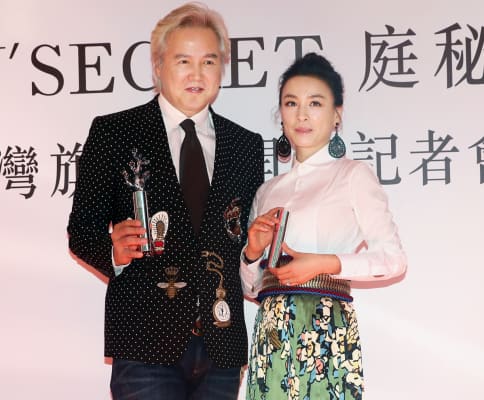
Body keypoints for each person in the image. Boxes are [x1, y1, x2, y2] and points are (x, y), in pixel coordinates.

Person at [67, 3, 264, 400]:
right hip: (144, 346)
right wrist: (114, 252)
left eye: (209, 61)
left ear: (222, 69)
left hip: (222, 347)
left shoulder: (246, 145)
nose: (197, 74)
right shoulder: (114, 133)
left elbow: (244, 244)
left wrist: (257, 252)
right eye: (183, 61)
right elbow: (82, 231)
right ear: (158, 67)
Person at [240, 53, 407, 400]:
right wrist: (252, 252)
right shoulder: (267, 191)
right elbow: (253, 288)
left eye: (315, 103)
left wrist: (325, 263)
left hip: (324, 323)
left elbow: (393, 260)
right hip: (271, 332)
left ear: (336, 114)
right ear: (280, 114)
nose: (302, 115)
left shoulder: (353, 176)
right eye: (291, 103)